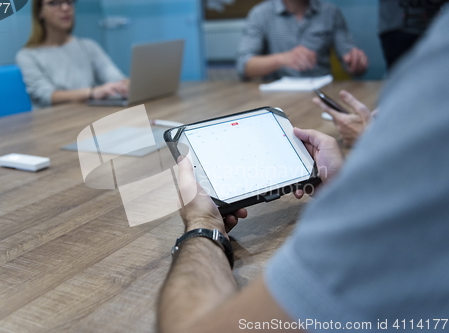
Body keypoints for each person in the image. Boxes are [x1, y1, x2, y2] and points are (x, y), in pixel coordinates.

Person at [158, 5, 449, 332]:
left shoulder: (434, 73)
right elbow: (244, 65)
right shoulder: (263, 14)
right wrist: (342, 183)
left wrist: (202, 221)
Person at [16, 0, 128, 109]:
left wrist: (127, 84)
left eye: (69, 2)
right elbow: (47, 96)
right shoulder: (27, 55)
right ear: (39, 12)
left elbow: (116, 78)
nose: (65, 8)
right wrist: (93, 92)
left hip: (87, 115)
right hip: (54, 120)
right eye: (54, 3)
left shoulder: (88, 46)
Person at [236, 0, 369, 81]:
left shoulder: (330, 12)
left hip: (323, 92)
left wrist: (355, 62)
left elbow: (348, 56)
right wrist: (282, 59)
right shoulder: (260, 14)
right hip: (278, 97)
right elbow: (244, 66)